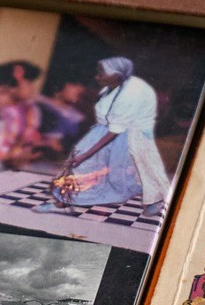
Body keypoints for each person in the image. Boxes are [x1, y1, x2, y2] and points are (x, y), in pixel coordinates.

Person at [40, 57, 169, 214]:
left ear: (116, 74)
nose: (97, 77)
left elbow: (115, 130)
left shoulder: (129, 93)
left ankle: (155, 200)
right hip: (102, 133)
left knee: (126, 172)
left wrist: (87, 154)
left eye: (101, 73)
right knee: (83, 168)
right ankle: (63, 201)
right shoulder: (110, 88)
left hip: (120, 136)